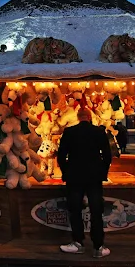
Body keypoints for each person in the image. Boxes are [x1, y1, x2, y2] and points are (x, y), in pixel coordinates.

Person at [57, 108, 112, 258]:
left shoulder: (69, 132)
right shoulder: (99, 132)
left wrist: (66, 172)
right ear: (89, 117)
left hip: (74, 176)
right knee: (96, 211)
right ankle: (98, 246)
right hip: (94, 177)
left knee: (75, 209)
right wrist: (103, 173)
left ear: (78, 117)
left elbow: (61, 156)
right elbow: (107, 156)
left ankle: (78, 242)